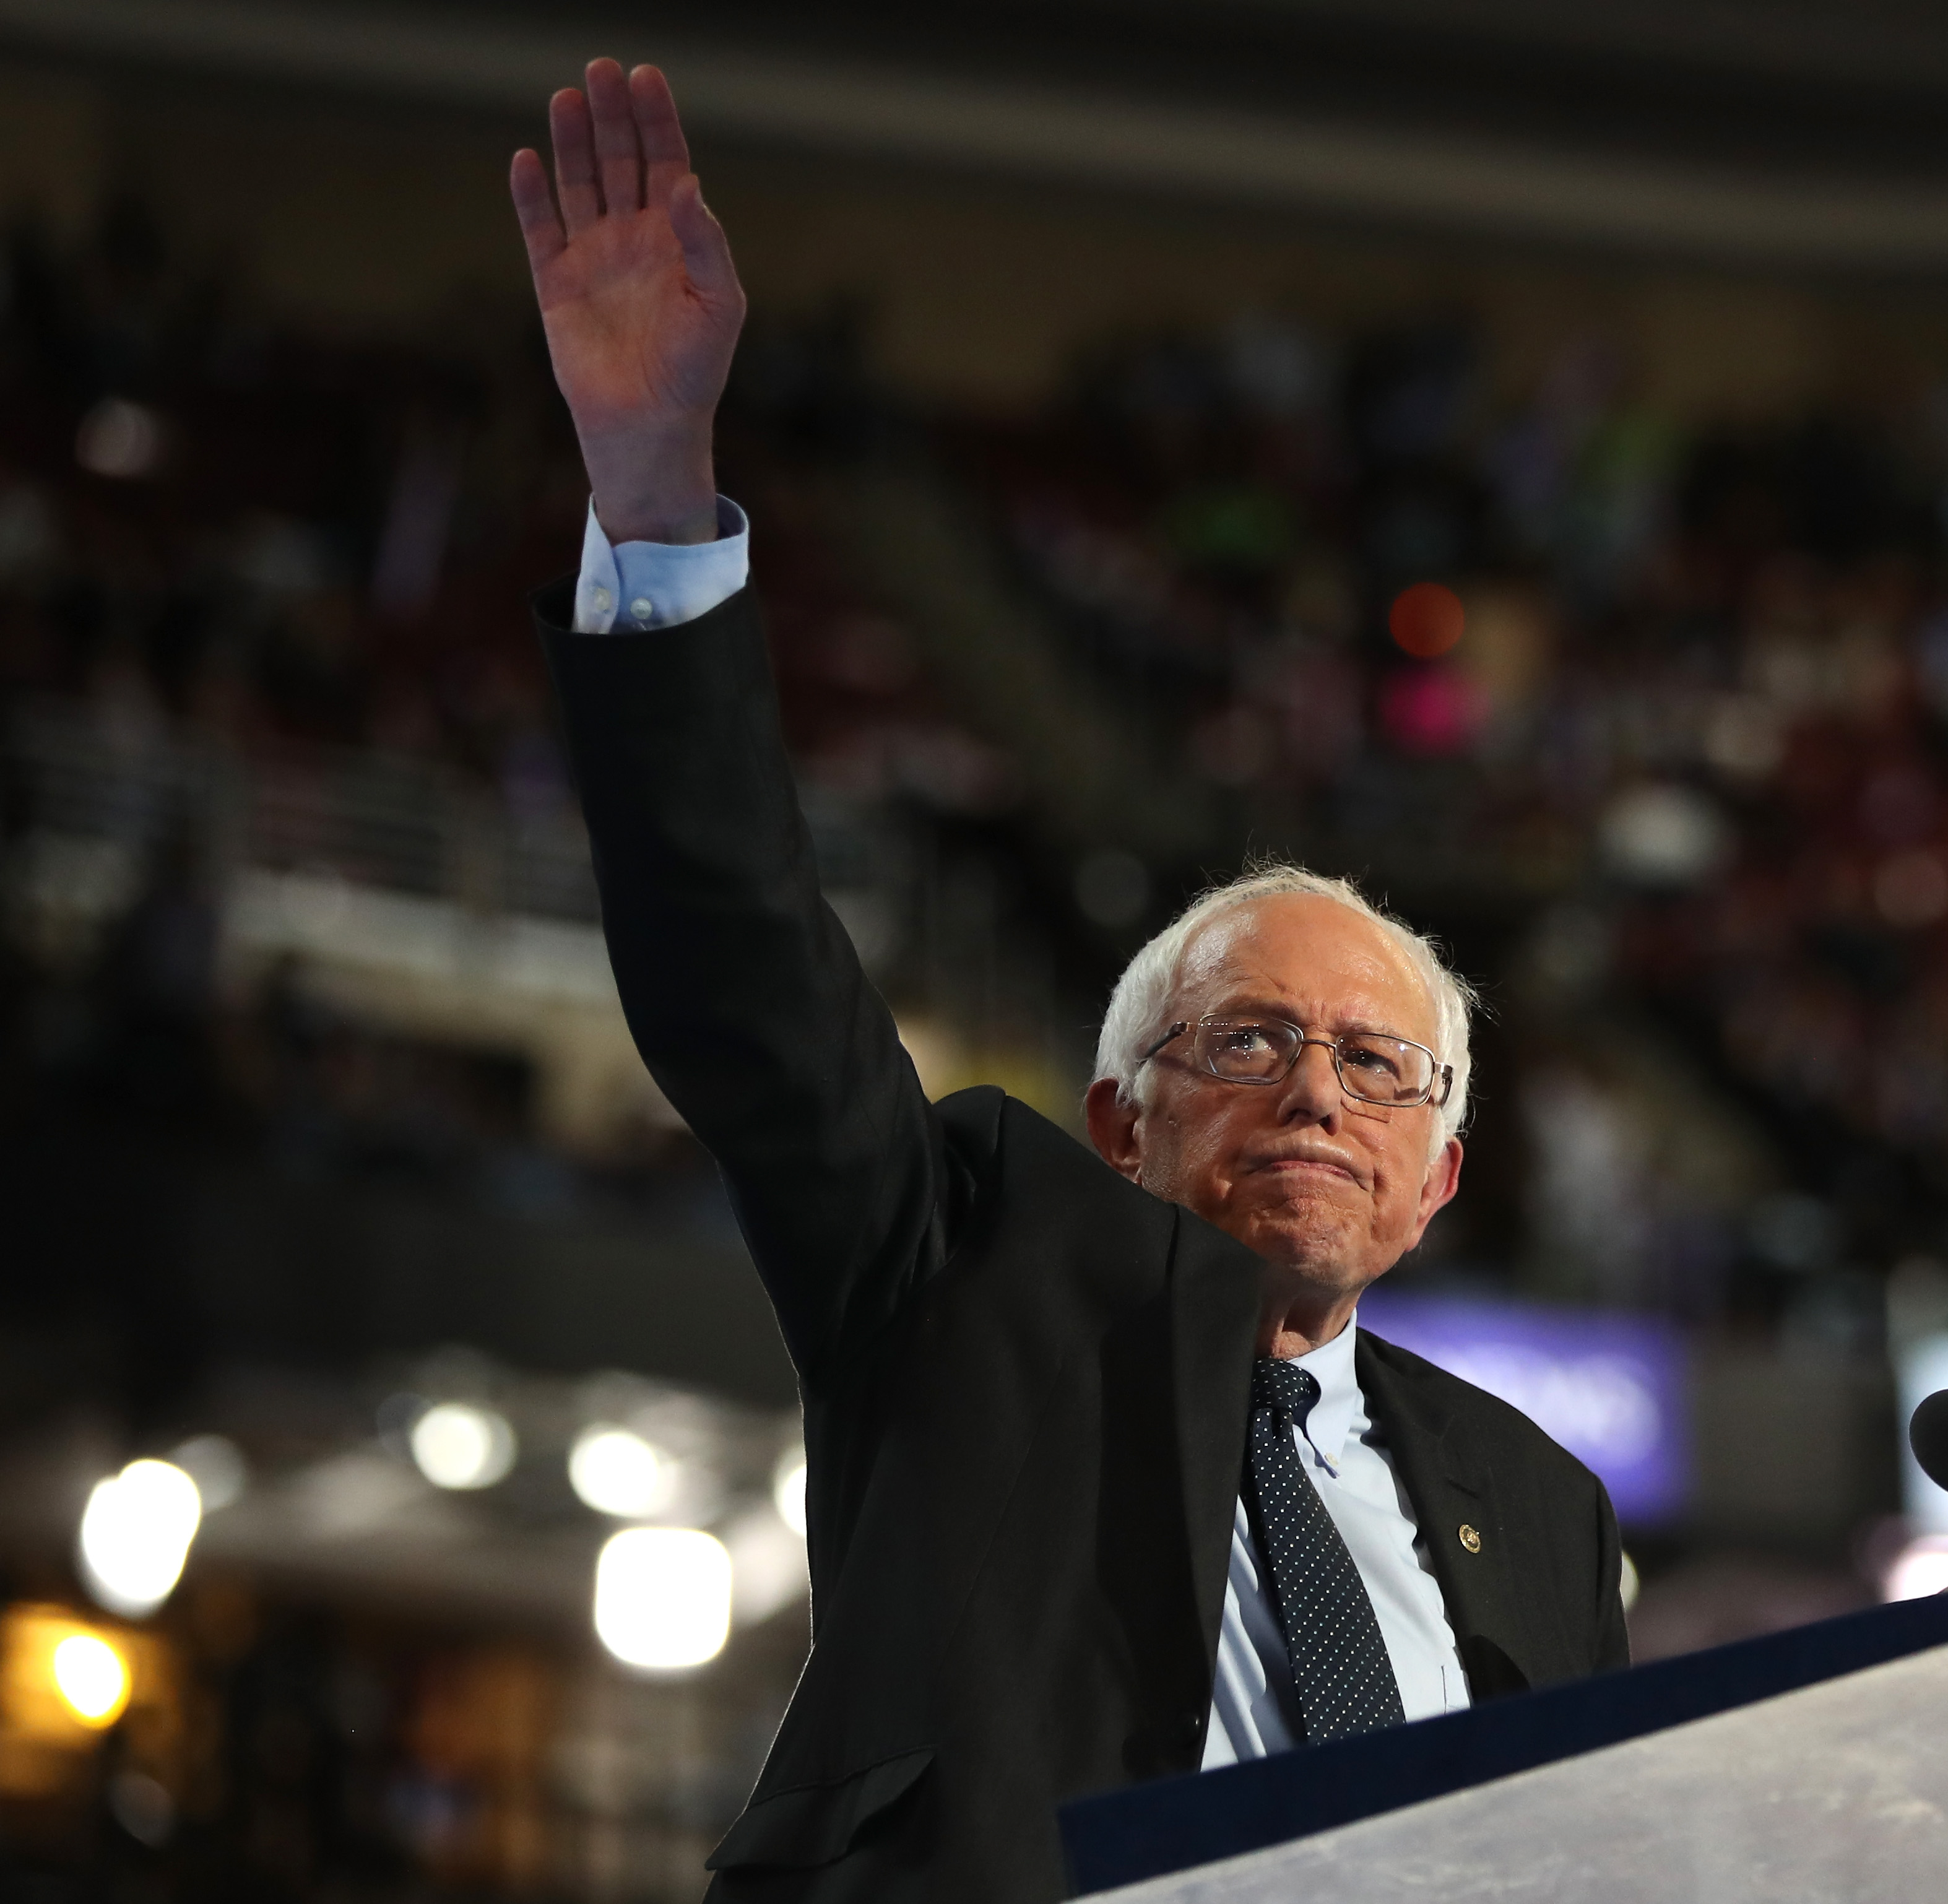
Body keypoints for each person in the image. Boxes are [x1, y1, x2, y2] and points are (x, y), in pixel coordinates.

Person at [509, 59, 1630, 1902]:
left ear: (1438, 1180)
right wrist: (650, 488)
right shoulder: (963, 1265)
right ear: (1120, 1117)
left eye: (1377, 1065)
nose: (1320, 1092)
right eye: (1253, 1038)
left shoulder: (1549, 1516)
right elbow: (749, 979)